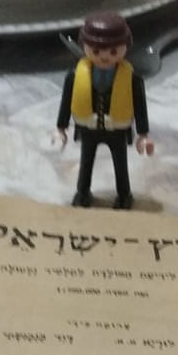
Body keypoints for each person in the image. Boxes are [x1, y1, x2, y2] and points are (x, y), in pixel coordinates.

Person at [56, 11, 153, 209]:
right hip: (88, 129)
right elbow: (66, 102)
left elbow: (140, 107)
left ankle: (124, 195)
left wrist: (143, 135)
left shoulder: (132, 80)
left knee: (120, 164)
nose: (105, 56)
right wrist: (61, 129)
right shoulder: (74, 77)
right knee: (86, 162)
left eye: (113, 51)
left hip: (116, 130)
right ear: (84, 46)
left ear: (126, 47)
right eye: (96, 51)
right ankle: (83, 192)